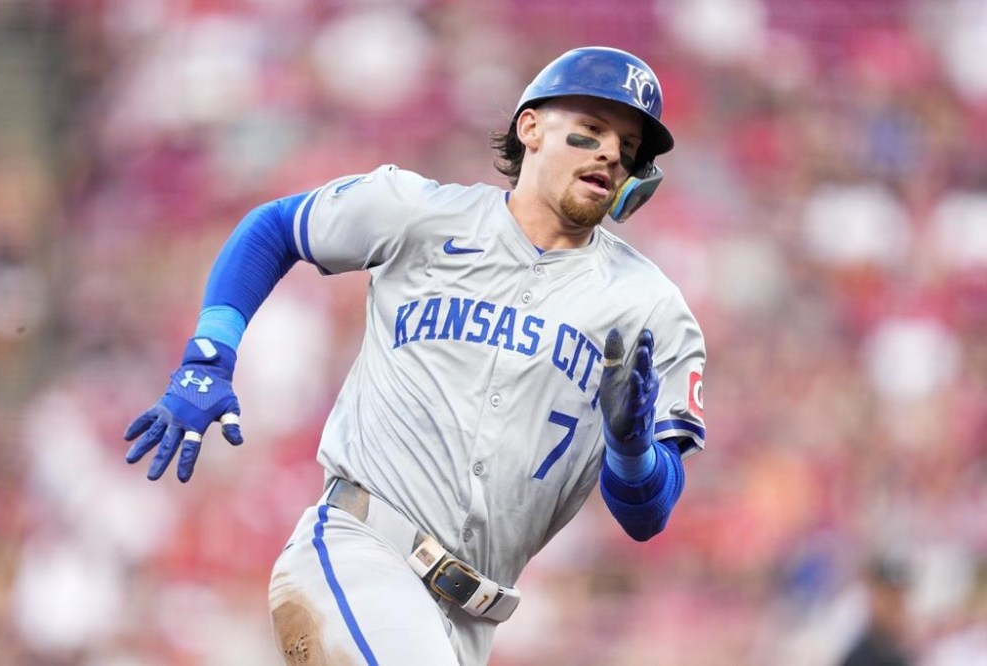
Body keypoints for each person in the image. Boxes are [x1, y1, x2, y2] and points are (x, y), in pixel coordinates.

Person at [124, 46, 707, 666]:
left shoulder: (651, 307)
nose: (610, 154)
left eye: (627, 146)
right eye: (590, 131)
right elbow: (276, 229)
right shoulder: (422, 213)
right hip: (360, 549)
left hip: (470, 620)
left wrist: (629, 448)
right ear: (530, 126)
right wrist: (210, 354)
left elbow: (648, 515)